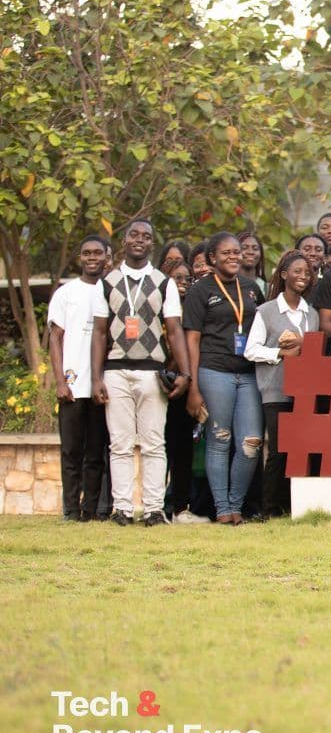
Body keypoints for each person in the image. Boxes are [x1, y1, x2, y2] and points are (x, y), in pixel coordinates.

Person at [90, 218, 191, 526]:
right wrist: (96, 378)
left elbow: (174, 331)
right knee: (119, 443)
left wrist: (185, 373)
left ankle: (153, 509)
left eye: (146, 236)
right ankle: (122, 508)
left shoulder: (164, 282)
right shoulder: (106, 283)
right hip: (116, 371)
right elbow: (98, 332)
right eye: (133, 235)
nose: (139, 240)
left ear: (152, 244)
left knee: (153, 442)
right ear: (124, 241)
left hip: (152, 372)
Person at [183, 231, 265, 525]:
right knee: (220, 439)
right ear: (212, 259)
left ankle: (235, 504)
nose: (233, 257)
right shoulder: (200, 291)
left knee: (251, 442)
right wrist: (192, 385)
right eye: (226, 253)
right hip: (214, 370)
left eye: (237, 252)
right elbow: (191, 339)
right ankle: (222, 509)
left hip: (248, 373)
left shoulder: (251, 288)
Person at [246, 250, 319, 515]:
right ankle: (270, 508)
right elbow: (251, 350)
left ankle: (292, 506)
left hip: (304, 393)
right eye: (297, 271)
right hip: (276, 390)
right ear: (284, 274)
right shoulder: (265, 311)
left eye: (307, 273)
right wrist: (279, 353)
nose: (303, 276)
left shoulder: (311, 314)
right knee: (277, 450)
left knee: (299, 450)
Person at [49, 235, 110, 521]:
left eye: (98, 253)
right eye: (87, 253)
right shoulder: (66, 293)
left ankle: (91, 511)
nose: (92, 258)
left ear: (106, 257)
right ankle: (71, 510)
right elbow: (55, 338)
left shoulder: (111, 290)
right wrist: (60, 381)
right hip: (73, 386)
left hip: (101, 385)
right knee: (71, 451)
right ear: (80, 258)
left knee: (96, 453)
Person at [159, 259, 209, 523]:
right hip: (159, 386)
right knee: (159, 448)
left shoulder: (193, 307)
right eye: (176, 278)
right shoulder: (155, 306)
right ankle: (157, 507)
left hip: (185, 385)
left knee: (182, 451)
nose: (182, 283)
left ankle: (179, 508)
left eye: (187, 279)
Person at [296, 234, 327, 300]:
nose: (313, 253)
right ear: (296, 254)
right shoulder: (287, 285)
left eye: (318, 250)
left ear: (324, 257)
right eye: (307, 249)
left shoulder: (328, 287)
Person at [237, 230, 267, 295]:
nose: (250, 252)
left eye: (255, 248)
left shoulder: (267, 288)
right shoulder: (226, 283)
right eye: (244, 248)